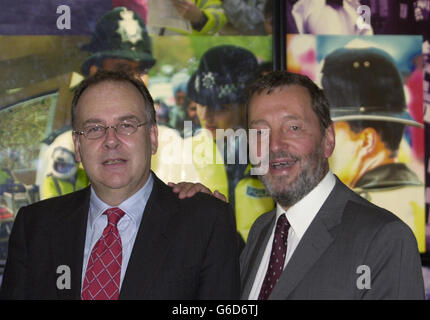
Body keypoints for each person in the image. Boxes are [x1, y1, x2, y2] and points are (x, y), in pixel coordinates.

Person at [0, 70, 240, 300]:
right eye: (94, 128)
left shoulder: (205, 223)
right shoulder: (34, 227)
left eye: (126, 125)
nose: (111, 141)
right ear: (77, 146)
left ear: (153, 137)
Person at [238, 71, 424, 299]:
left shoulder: (384, 239)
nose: (274, 145)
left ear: (328, 140)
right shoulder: (261, 230)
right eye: (259, 132)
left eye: (293, 127)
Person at [320, 46, 426, 252]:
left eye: (330, 133)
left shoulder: (362, 213)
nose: (323, 144)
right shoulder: (409, 195)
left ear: (367, 141)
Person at [185, 45, 275, 246]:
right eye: (201, 103)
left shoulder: (275, 156)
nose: (206, 116)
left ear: (247, 106)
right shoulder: (183, 153)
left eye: (220, 108)